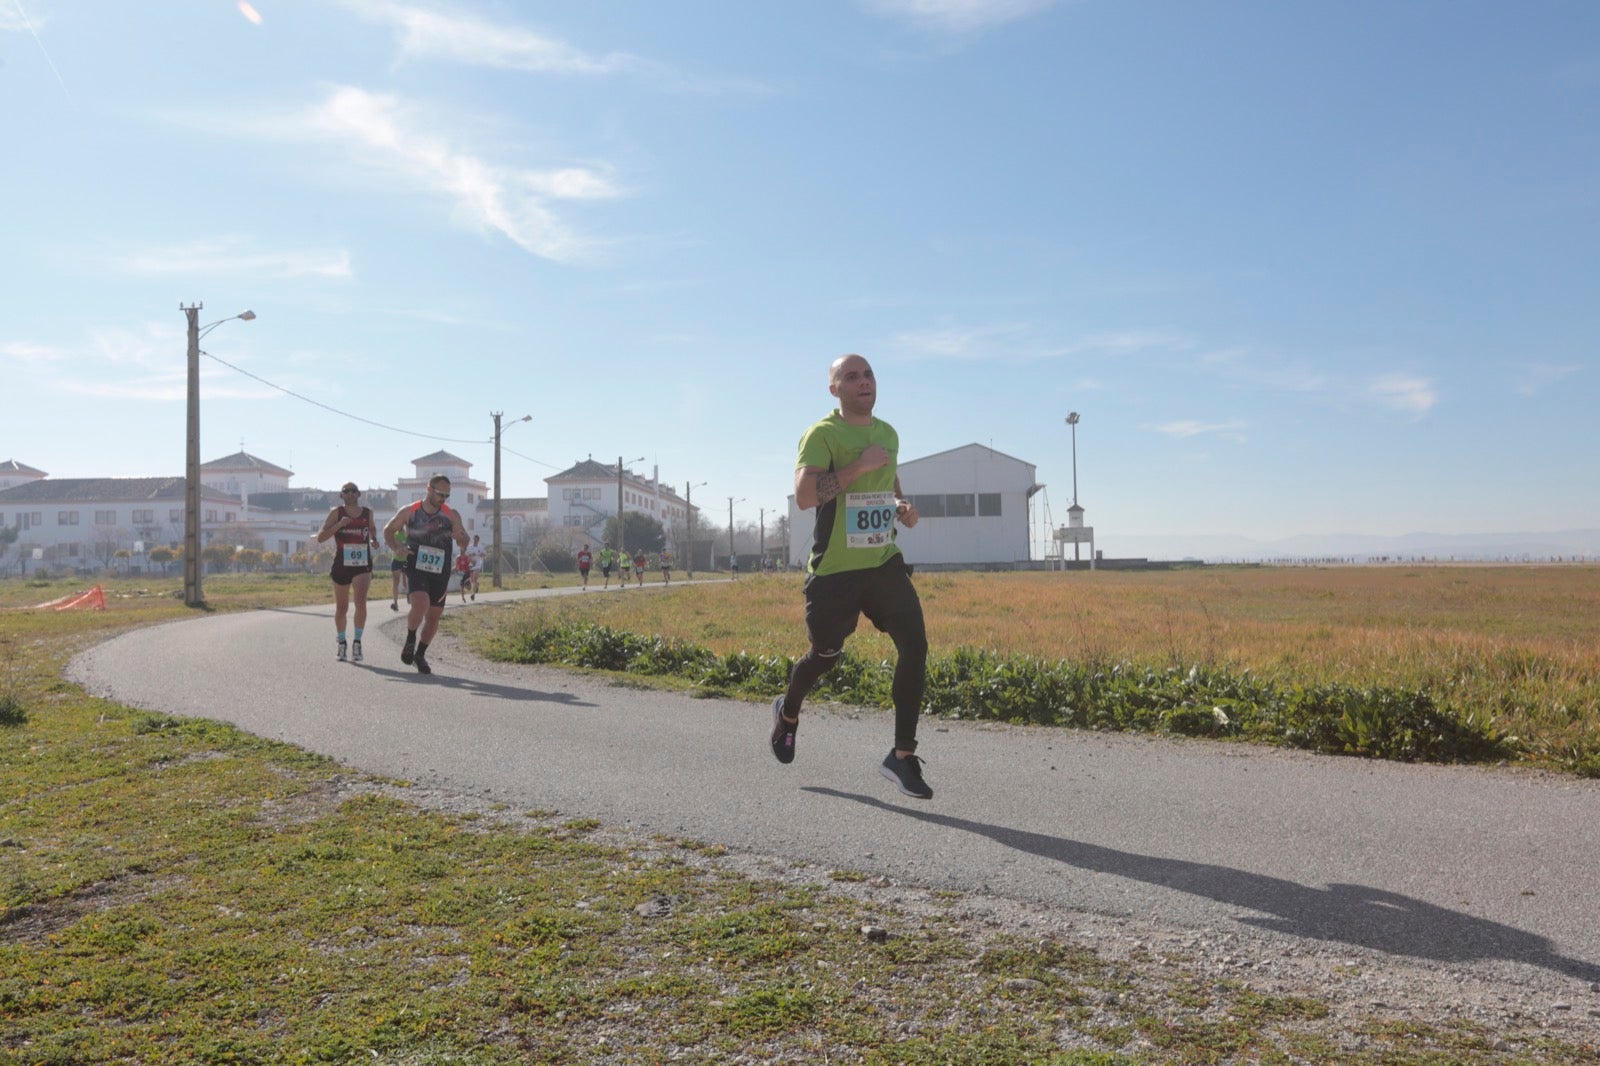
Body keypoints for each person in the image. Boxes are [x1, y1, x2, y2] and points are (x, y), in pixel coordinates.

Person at [772, 353, 932, 799]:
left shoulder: (888, 434)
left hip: (882, 563)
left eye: (868, 374)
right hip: (835, 572)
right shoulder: (822, 434)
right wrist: (858, 465)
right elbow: (806, 495)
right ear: (834, 389)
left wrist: (900, 505)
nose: (863, 382)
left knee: (915, 645)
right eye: (851, 376)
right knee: (824, 655)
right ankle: (788, 712)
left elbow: (887, 480)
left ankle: (901, 756)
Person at [384, 474, 469, 675]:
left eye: (447, 495)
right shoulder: (409, 511)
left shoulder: (451, 515)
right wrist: (396, 547)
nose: (443, 499)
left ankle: (420, 654)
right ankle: (410, 638)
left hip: (441, 570)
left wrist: (462, 539)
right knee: (420, 603)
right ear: (429, 489)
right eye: (440, 494)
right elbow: (388, 530)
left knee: (434, 617)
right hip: (416, 565)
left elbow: (463, 540)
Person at [315, 482, 377, 662]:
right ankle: (342, 642)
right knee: (342, 607)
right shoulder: (336, 513)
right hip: (342, 563)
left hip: (362, 564)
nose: (350, 493)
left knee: (361, 603)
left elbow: (372, 529)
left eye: (353, 491)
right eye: (346, 491)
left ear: (359, 494)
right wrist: (339, 525)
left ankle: (357, 642)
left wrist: (374, 539)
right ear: (341, 495)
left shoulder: (367, 513)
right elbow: (321, 537)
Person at [388, 527, 409, 610]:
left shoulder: (407, 534)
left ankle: (409, 595)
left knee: (405, 582)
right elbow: (391, 542)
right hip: (396, 560)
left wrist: (402, 546)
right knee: (396, 582)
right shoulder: (394, 534)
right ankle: (395, 603)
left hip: (405, 560)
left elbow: (407, 546)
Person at [465, 534, 486, 599]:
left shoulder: (480, 547)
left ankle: (473, 594)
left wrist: (482, 554)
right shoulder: (469, 547)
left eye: (476, 540)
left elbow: (484, 554)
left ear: (478, 540)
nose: (475, 541)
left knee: (474, 578)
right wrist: (471, 555)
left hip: (478, 564)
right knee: (472, 580)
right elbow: (467, 555)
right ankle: (477, 585)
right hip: (471, 564)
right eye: (474, 539)